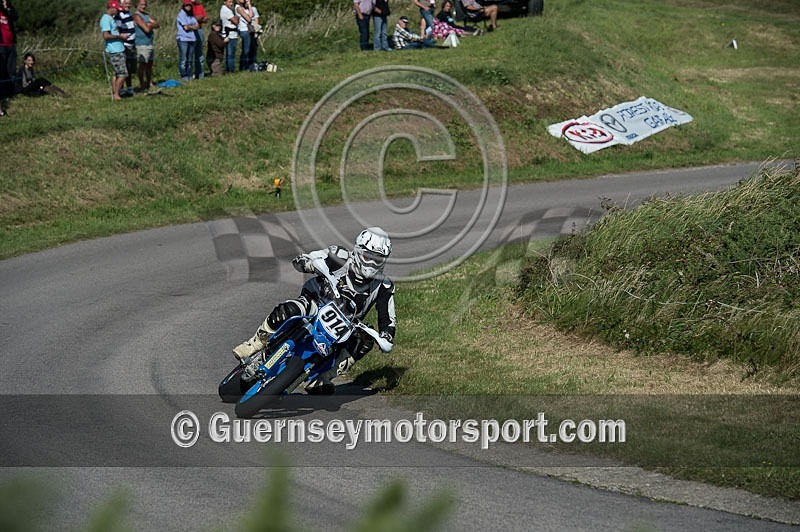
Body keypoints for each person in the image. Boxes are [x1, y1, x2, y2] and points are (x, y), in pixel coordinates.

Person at [232, 227, 396, 395]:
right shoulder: (340, 256)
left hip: (344, 326)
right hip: (316, 302)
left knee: (365, 340)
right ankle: (255, 343)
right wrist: (308, 263)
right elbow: (308, 259)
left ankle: (323, 377)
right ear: (358, 251)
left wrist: (386, 335)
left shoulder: (384, 285)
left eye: (377, 259)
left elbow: (388, 320)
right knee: (292, 309)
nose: (371, 263)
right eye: (368, 257)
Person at [100, 1, 131, 101]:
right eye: (116, 10)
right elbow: (106, 35)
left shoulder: (110, 18)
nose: (117, 11)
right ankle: (116, 94)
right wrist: (120, 36)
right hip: (114, 50)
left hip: (119, 48)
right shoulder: (105, 19)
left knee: (117, 73)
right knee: (123, 73)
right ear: (111, 8)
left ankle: (116, 93)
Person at [133, 0, 159, 91]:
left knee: (149, 64)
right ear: (136, 5)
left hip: (149, 43)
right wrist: (150, 25)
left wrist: (149, 24)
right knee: (142, 64)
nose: (144, 6)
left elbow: (157, 24)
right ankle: (142, 84)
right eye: (141, 5)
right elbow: (146, 29)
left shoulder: (146, 15)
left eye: (145, 5)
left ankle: (148, 83)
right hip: (141, 43)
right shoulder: (136, 16)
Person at [115, 0, 137, 96]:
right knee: (124, 68)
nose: (128, 5)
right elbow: (117, 30)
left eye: (129, 3)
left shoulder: (129, 13)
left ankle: (129, 87)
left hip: (131, 44)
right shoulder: (119, 15)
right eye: (126, 3)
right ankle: (122, 89)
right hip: (124, 44)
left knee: (130, 67)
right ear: (121, 4)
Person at [0, 0, 18, 116]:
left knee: (11, 71)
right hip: (1, 46)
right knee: (2, 72)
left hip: (11, 45)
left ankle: (9, 93)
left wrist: (8, 7)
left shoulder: (8, 11)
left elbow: (15, 17)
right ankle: (2, 95)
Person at [176, 0, 199, 83]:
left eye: (189, 5)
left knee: (190, 59)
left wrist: (190, 27)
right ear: (183, 6)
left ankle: (190, 75)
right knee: (183, 59)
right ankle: (183, 75)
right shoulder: (181, 14)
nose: (188, 7)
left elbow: (197, 26)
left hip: (192, 38)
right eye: (186, 5)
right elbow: (185, 27)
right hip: (183, 39)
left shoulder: (191, 15)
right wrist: (192, 27)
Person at [234, 0, 254, 71]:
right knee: (245, 50)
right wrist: (249, 17)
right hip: (243, 30)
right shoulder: (239, 8)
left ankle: (245, 66)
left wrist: (249, 5)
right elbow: (248, 19)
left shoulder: (244, 7)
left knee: (247, 49)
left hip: (247, 30)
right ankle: (243, 67)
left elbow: (251, 15)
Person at [220, 0, 239, 73]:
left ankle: (228, 69)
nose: (231, 4)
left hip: (230, 34)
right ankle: (231, 70)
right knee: (231, 54)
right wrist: (237, 16)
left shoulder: (226, 10)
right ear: (225, 2)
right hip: (230, 35)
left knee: (229, 54)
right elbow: (236, 21)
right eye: (229, 2)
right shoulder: (226, 10)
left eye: (232, 2)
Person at [192, 0, 208, 79]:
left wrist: (199, 18)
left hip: (199, 30)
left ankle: (200, 74)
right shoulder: (187, 7)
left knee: (199, 53)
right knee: (190, 53)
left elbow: (205, 18)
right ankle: (190, 74)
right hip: (190, 31)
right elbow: (188, 20)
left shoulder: (200, 6)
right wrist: (198, 18)